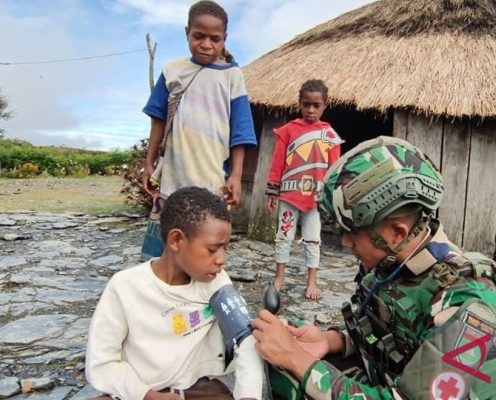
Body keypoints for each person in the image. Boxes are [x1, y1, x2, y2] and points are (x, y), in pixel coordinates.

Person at [253, 136, 496, 399]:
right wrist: (333, 340)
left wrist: (297, 359)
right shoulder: (394, 264)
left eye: (353, 233)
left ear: (398, 233)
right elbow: (389, 339)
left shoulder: (468, 304)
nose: (345, 242)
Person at [86, 186, 263, 400]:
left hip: (200, 392)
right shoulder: (125, 287)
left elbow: (246, 340)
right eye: (212, 249)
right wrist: (146, 395)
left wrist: (248, 397)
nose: (222, 259)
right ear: (176, 240)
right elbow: (103, 363)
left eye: (225, 248)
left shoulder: (216, 283)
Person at [140, 0, 256, 261]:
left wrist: (236, 175)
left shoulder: (232, 76)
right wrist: (149, 162)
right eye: (198, 36)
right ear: (187, 33)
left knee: (204, 249)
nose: (206, 44)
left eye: (215, 39)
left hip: (212, 179)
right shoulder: (173, 71)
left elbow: (241, 130)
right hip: (173, 176)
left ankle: (197, 286)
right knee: (167, 246)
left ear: (225, 39)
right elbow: (158, 120)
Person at [265, 79, 344, 300]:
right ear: (299, 103)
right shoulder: (288, 130)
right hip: (289, 195)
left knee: (313, 238)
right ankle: (279, 277)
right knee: (283, 236)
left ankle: (312, 281)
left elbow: (334, 170)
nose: (311, 110)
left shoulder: (329, 135)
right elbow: (277, 163)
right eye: (306, 104)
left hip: (315, 199)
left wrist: (330, 198)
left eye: (316, 105)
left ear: (324, 105)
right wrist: (272, 191)